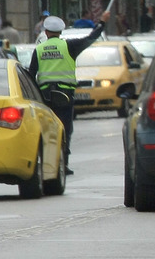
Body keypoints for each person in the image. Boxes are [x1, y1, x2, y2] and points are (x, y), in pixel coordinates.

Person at [27, 11, 110, 175]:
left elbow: (31, 74)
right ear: (61, 32)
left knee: (47, 130)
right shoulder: (69, 46)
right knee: (64, 129)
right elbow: (91, 38)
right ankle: (63, 164)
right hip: (65, 95)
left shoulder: (39, 49)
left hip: (45, 97)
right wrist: (102, 22)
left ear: (46, 32)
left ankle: (47, 164)